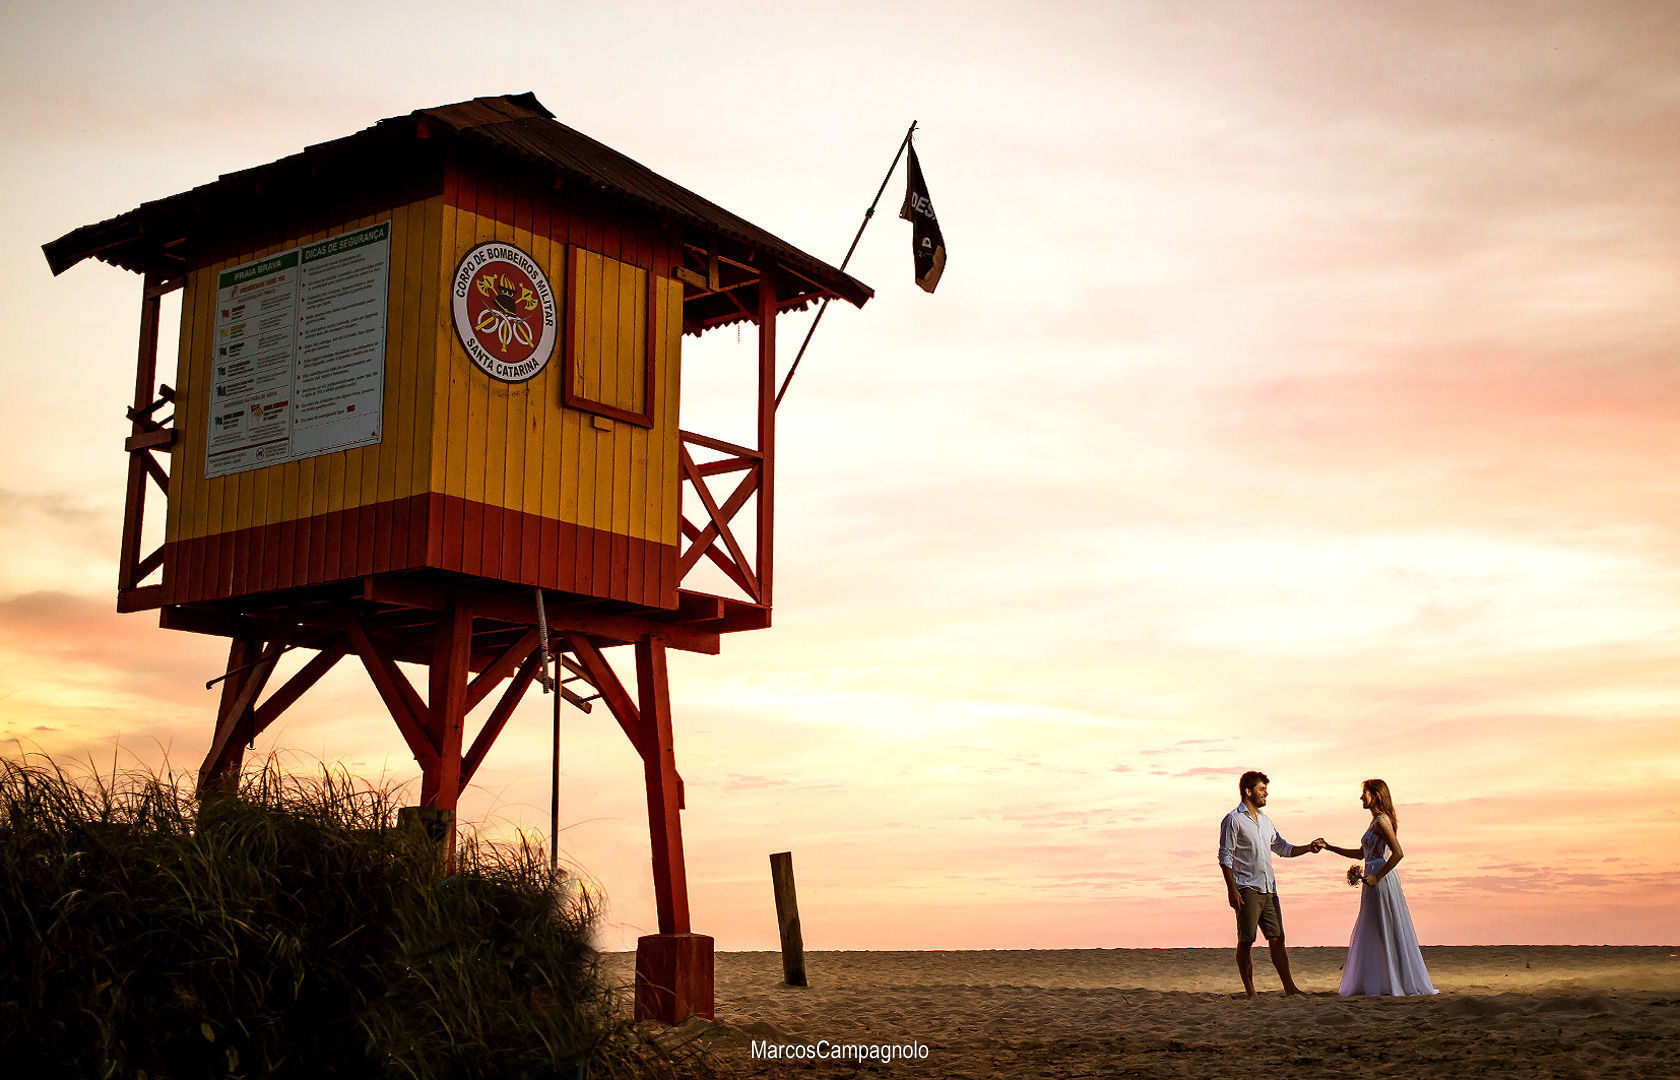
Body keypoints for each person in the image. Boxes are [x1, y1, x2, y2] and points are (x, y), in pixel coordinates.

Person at [1321, 779, 1437, 996]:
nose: (1361, 797)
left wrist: (1377, 877)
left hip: (1381, 880)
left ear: (1375, 795)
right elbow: (1360, 853)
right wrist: (1329, 847)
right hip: (1372, 879)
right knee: (1374, 928)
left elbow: (1398, 853)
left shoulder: (1382, 822)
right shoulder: (1374, 822)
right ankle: (1381, 979)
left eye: (1364, 793)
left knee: (1384, 926)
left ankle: (1395, 980)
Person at [1217, 770, 1324, 997]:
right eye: (1262, 789)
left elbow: (1283, 848)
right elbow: (1225, 857)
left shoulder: (1266, 822)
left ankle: (1290, 988)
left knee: (1277, 938)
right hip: (1247, 888)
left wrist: (1308, 847)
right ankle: (1250, 992)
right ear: (1248, 791)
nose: (1266, 794)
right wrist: (1231, 890)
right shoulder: (1233, 820)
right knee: (1246, 940)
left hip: (1269, 889)